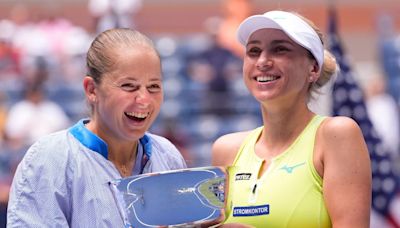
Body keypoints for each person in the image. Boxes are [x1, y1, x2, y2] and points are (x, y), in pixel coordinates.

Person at [7, 28, 187, 227]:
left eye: (153, 86)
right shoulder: (49, 160)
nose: (144, 99)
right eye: (129, 86)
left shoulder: (168, 157)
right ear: (92, 90)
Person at [212, 10, 372, 227]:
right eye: (254, 51)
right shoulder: (225, 149)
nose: (263, 61)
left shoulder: (336, 134)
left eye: (280, 50)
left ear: (313, 69)